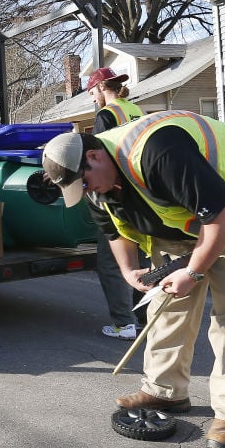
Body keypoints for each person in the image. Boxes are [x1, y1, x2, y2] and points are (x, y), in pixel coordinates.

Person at [40, 112, 225, 448]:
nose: (88, 191)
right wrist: (128, 271)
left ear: (93, 156)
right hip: (183, 218)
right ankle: (165, 390)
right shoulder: (97, 184)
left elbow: (224, 211)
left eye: (86, 182)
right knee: (166, 304)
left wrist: (194, 272)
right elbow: (114, 230)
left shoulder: (158, 151)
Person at [85, 67, 147, 340]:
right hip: (144, 195)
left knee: (113, 262)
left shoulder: (106, 115)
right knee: (144, 259)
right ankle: (145, 319)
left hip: (118, 195)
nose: (92, 98)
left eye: (91, 92)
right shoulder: (136, 110)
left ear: (100, 88)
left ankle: (124, 324)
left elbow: (99, 159)